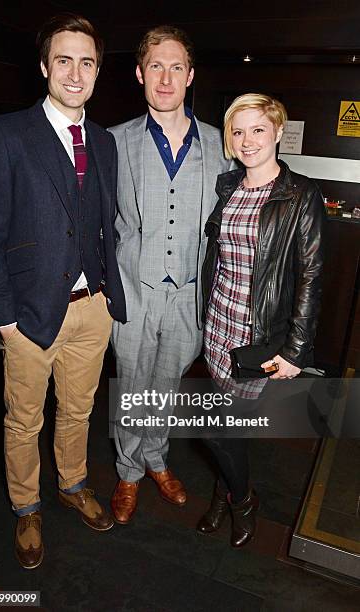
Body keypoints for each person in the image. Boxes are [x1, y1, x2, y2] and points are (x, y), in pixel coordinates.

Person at [0, 14, 126, 569]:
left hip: (93, 311)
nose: (75, 72)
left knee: (79, 411)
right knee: (23, 419)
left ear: (98, 71)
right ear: (44, 67)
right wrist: (3, 316)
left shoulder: (104, 142)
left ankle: (73, 483)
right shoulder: (7, 133)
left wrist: (110, 295)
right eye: (64, 59)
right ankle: (27, 506)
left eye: (87, 62)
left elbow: (104, 222)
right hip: (30, 314)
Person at [109, 25, 231, 524]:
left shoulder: (222, 144)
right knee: (133, 384)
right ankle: (127, 472)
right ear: (140, 74)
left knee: (167, 385)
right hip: (134, 291)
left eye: (176, 66)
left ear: (191, 75)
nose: (165, 77)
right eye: (155, 65)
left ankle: (156, 459)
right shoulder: (113, 142)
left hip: (190, 296)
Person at [198, 93, 325, 547]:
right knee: (227, 427)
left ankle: (242, 498)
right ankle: (226, 492)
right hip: (217, 325)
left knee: (218, 428)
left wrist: (295, 350)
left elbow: (310, 275)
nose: (247, 140)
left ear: (276, 132)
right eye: (238, 130)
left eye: (257, 129)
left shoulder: (300, 194)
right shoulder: (227, 187)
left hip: (259, 337)